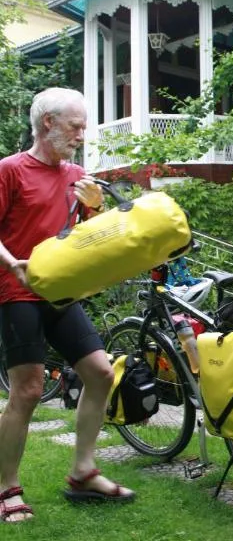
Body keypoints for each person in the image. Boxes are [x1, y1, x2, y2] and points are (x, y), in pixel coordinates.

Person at [0, 88, 135, 523]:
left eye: (83, 126)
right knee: (29, 389)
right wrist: (13, 264)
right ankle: (6, 489)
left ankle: (82, 471)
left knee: (100, 372)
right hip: (16, 291)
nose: (82, 133)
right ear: (47, 124)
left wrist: (93, 210)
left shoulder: (77, 174)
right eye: (75, 126)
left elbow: (83, 239)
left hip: (60, 291)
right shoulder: (10, 171)